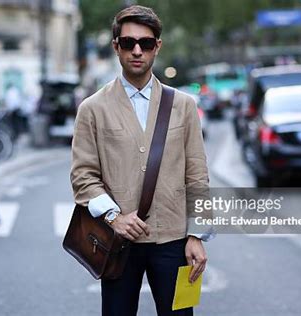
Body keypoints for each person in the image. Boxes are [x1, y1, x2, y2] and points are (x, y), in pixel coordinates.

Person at [70, 5, 210, 315]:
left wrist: (197, 235)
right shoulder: (92, 109)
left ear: (157, 47)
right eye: (128, 42)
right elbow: (83, 178)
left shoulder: (184, 106)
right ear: (116, 46)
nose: (137, 50)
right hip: (117, 244)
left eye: (145, 43)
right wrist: (114, 217)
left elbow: (197, 177)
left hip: (175, 243)